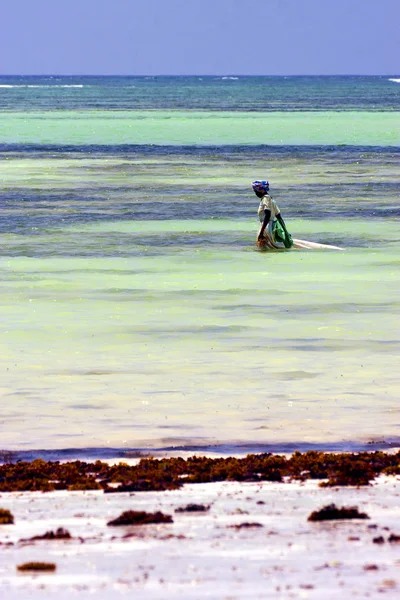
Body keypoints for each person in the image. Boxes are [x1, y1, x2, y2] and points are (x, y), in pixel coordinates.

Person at [252, 180, 293, 250]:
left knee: (263, 250)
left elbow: (267, 215)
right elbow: (279, 216)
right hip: (270, 228)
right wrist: (285, 231)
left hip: (266, 228)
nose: (255, 193)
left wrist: (261, 232)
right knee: (271, 249)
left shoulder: (265, 198)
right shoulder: (271, 200)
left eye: (256, 191)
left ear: (261, 191)